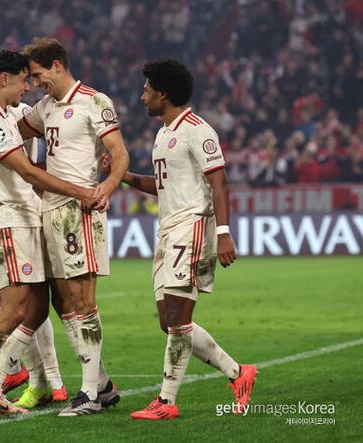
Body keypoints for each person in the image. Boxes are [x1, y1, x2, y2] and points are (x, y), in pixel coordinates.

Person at [106, 59, 257, 420]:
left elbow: (219, 182)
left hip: (193, 228)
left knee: (178, 318)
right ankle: (238, 373)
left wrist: (223, 233)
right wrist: (124, 176)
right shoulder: (163, 134)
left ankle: (166, 401)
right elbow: (162, 186)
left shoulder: (197, 130)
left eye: (146, 90)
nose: (142, 97)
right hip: (168, 230)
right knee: (169, 321)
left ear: (163, 93)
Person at [0, 50, 96, 419]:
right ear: (4, 79)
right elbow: (27, 172)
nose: (27, 87)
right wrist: (80, 190)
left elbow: (30, 166)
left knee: (37, 306)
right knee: (14, 308)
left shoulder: (2, 116)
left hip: (22, 217)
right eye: (23, 80)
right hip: (7, 221)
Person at [18, 37, 129, 416]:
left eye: (38, 75)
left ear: (57, 66)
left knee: (83, 302)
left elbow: (120, 154)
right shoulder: (45, 108)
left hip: (79, 210)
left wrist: (106, 187)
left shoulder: (94, 102)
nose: (36, 84)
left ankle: (89, 395)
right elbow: (13, 132)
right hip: (49, 209)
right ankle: (104, 386)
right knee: (65, 302)